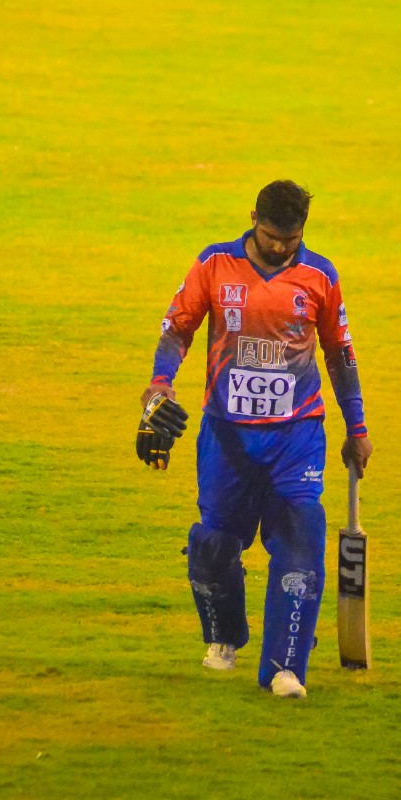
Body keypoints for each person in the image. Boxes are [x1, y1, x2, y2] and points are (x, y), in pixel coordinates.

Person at [137, 180, 372, 698]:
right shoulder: (214, 264)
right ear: (252, 220)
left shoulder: (320, 276)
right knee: (214, 545)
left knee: (300, 538)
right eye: (271, 237)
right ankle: (224, 637)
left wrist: (357, 428)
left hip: (296, 435)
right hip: (227, 437)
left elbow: (340, 353)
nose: (281, 247)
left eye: (291, 239)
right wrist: (159, 383)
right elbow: (177, 328)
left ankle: (286, 668)